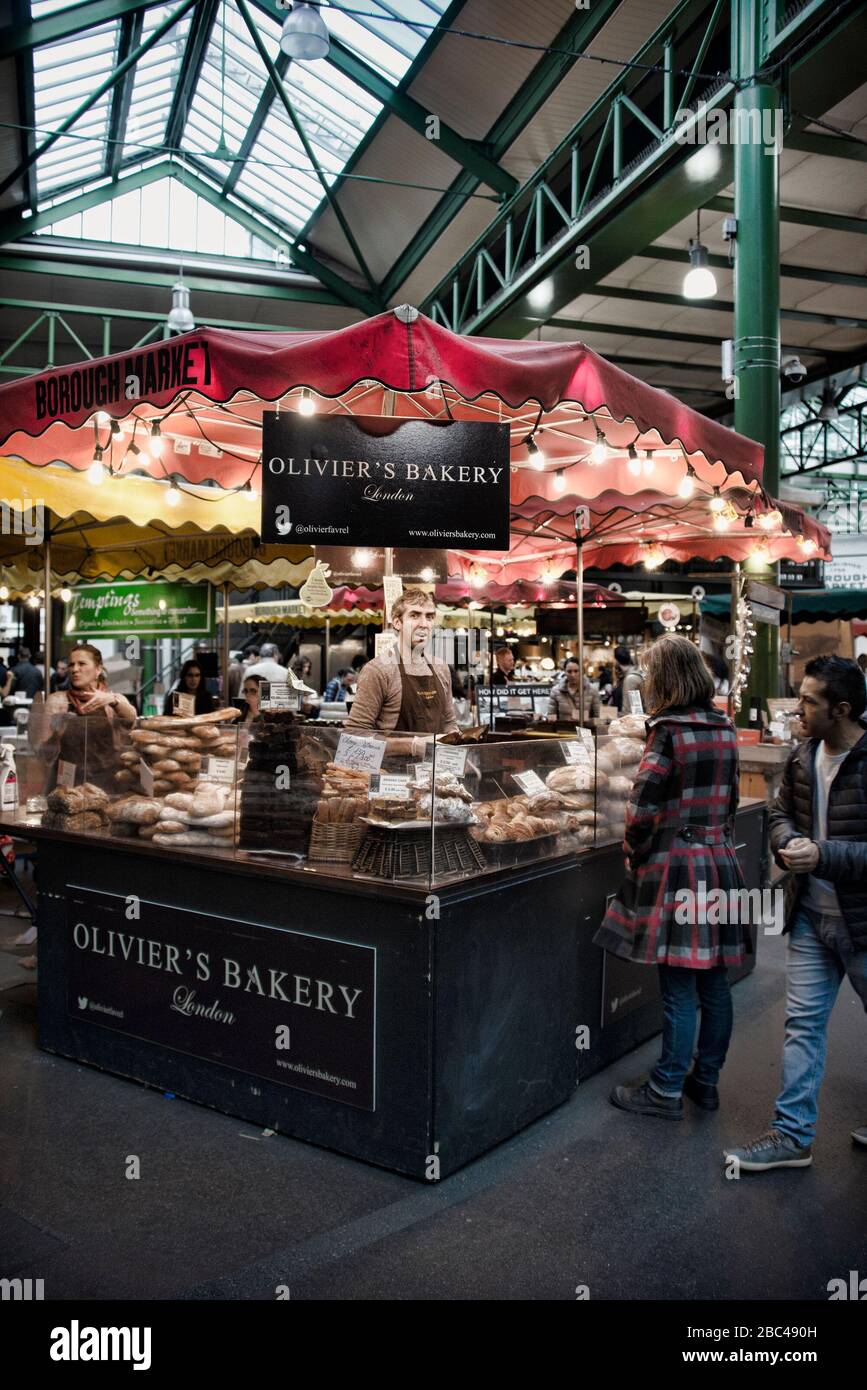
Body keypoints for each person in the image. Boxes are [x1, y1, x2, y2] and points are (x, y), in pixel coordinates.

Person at [594, 633, 748, 1119]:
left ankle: (664, 1090)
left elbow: (640, 807)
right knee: (715, 981)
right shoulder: (724, 727)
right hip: (722, 860)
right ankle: (705, 1082)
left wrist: (634, 852)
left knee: (680, 985)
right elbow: (732, 801)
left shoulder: (667, 732)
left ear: (663, 680)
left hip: (678, 866)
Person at [725, 655, 867, 1171]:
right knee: (802, 1025)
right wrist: (790, 841)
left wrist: (824, 855)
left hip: (861, 922)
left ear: (842, 709)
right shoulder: (803, 754)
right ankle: (792, 1136)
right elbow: (781, 811)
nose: (798, 708)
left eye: (809, 700)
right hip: (810, 914)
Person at [346, 587, 458, 752]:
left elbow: (449, 722)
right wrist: (412, 745)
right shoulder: (378, 670)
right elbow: (354, 737)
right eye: (414, 615)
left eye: (429, 617)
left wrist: (456, 737)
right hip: (392, 775)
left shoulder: (441, 668)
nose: (423, 624)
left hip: (435, 775)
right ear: (397, 622)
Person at [36, 643, 136, 790]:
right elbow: (43, 753)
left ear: (98, 670)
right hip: (67, 784)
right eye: (72, 664)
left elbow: (131, 720)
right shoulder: (57, 701)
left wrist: (114, 701)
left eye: (81, 664)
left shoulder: (113, 700)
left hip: (106, 783)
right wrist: (57, 733)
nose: (75, 669)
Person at [547, 658, 600, 722]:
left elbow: (597, 717)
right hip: (563, 729)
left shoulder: (592, 690)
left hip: (585, 730)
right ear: (565, 672)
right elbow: (551, 715)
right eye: (569, 671)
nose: (573, 675)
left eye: (576, 671)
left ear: (582, 671)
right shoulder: (556, 691)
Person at [609, 644, 644, 713]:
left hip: (627, 721)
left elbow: (628, 710)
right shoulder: (627, 677)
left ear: (617, 661)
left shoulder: (630, 679)